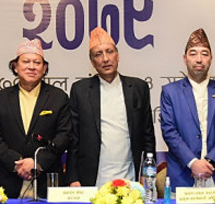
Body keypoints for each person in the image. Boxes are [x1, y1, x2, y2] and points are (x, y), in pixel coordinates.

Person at [66, 27, 156, 187]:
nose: (105, 59)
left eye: (109, 52)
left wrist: (147, 173)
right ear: (92, 62)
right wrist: (73, 178)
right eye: (98, 54)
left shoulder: (138, 88)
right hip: (92, 177)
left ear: (118, 56)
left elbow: (148, 135)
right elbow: (74, 138)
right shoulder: (80, 90)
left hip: (131, 175)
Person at [0, 39, 71, 199]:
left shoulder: (58, 97)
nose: (31, 67)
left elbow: (64, 136)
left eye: (37, 62)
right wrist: (17, 163)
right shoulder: (1, 98)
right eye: (26, 62)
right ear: (15, 66)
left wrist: (37, 162)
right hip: (10, 182)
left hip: (47, 182)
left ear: (44, 68)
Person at [160, 28, 215, 188]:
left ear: (211, 59)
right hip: (184, 174)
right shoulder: (170, 92)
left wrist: (209, 162)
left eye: (204, 54)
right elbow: (169, 131)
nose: (199, 59)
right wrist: (193, 163)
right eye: (193, 53)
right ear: (185, 59)